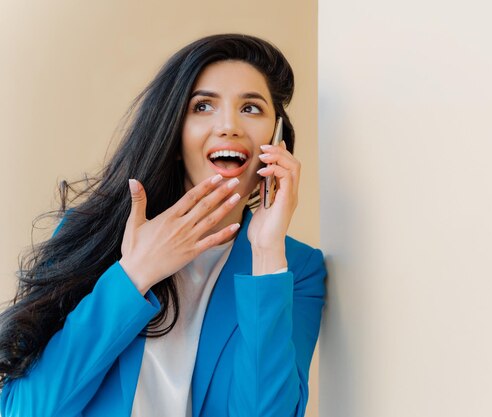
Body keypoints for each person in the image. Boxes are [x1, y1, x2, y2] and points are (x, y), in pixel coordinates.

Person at [0, 33, 326, 417]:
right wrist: (134, 273)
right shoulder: (92, 234)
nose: (229, 126)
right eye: (202, 106)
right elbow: (25, 411)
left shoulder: (296, 269)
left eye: (251, 109)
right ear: (173, 134)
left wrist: (267, 252)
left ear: (276, 140)